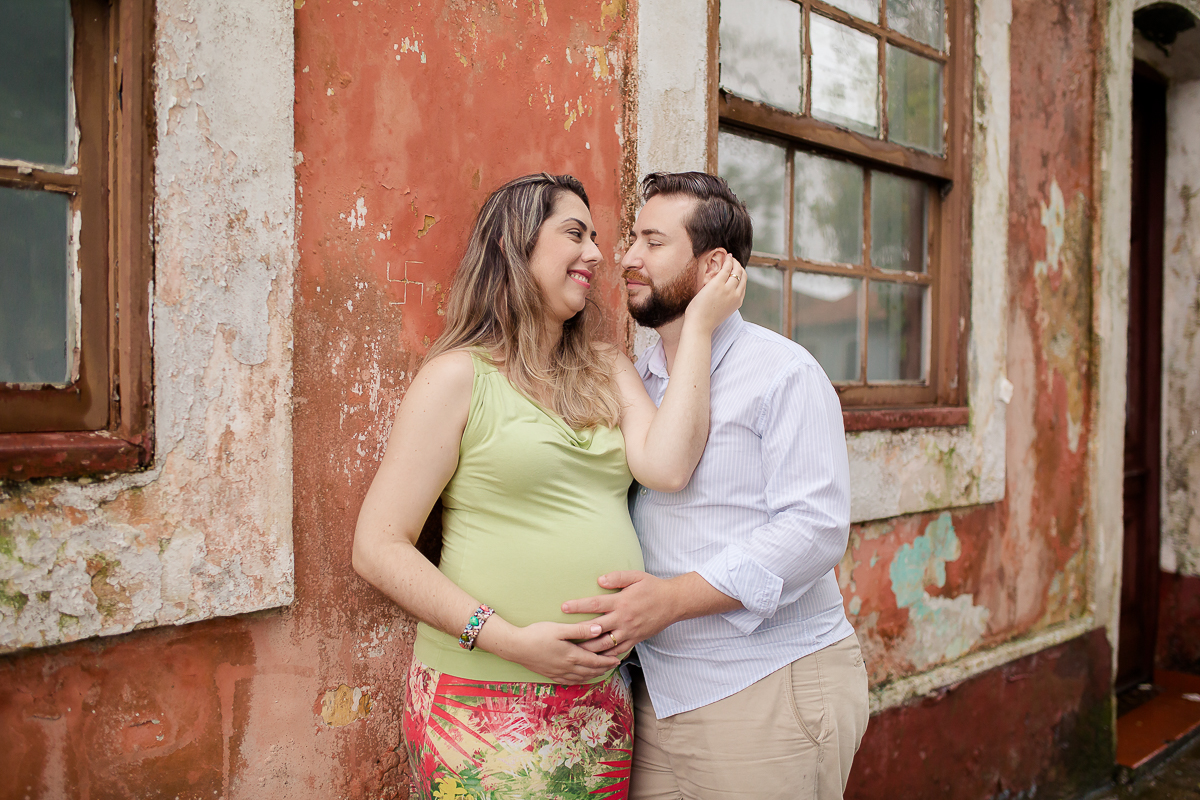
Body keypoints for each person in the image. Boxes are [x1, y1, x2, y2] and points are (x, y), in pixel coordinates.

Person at [352, 172, 745, 800]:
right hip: (483, 696)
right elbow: (377, 546)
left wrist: (698, 328)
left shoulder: (607, 367)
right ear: (514, 244)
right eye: (575, 234)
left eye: (596, 238)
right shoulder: (457, 378)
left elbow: (668, 467)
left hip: (599, 702)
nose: (598, 254)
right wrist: (511, 642)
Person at [562, 172, 870, 800]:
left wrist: (671, 600)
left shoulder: (782, 372)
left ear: (713, 266)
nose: (629, 258)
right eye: (633, 240)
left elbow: (814, 530)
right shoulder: (638, 377)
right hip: (656, 691)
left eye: (654, 243)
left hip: (765, 686)